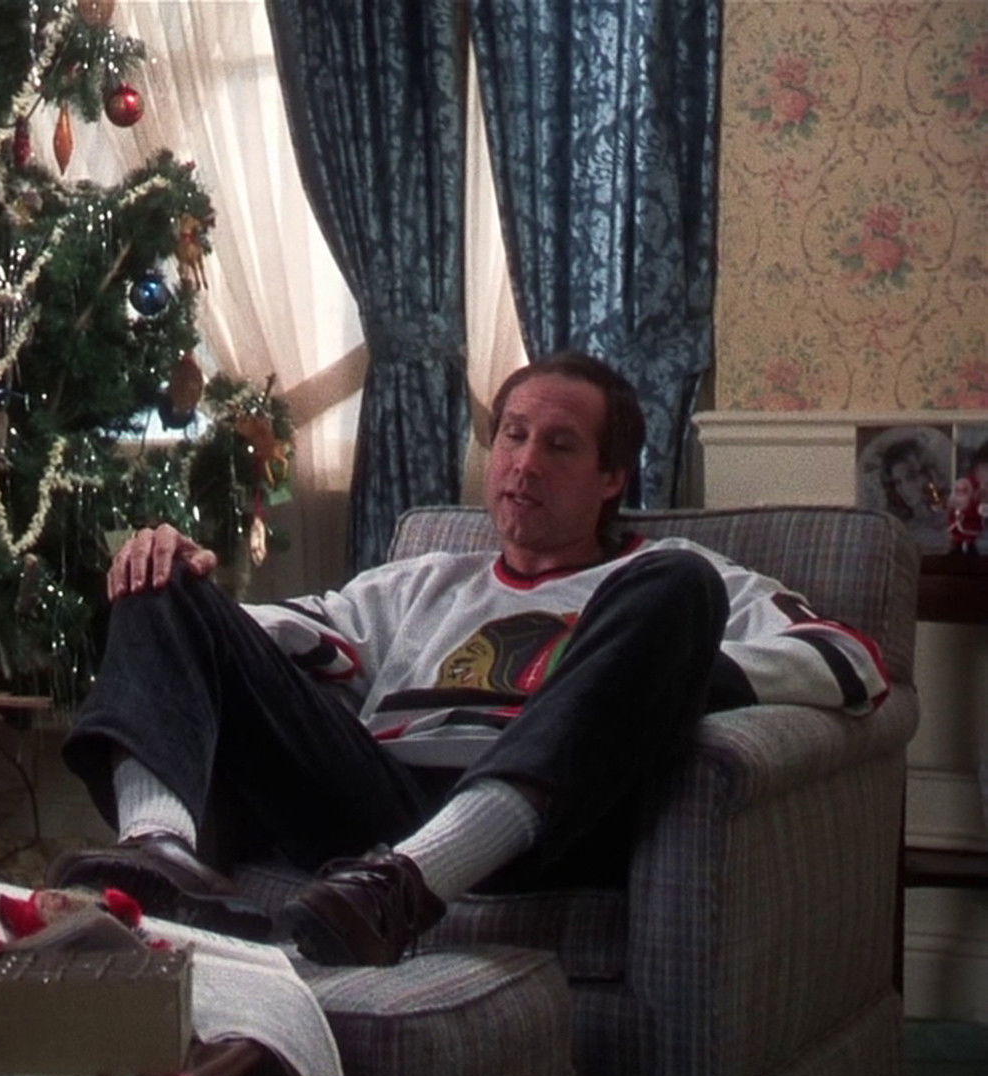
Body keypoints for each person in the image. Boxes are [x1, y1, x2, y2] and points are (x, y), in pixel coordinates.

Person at [48, 351, 889, 967]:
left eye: (559, 446)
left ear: (610, 478)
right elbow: (294, 631)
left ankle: (416, 881)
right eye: (512, 436)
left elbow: (849, 660)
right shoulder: (423, 580)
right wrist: (186, 598)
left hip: (542, 823)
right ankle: (156, 851)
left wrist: (672, 679)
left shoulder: (666, 578)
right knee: (160, 572)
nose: (523, 463)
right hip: (370, 808)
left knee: (679, 583)